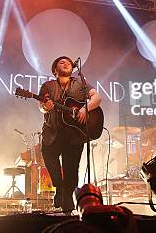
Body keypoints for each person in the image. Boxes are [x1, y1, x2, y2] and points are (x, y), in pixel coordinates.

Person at [38, 56, 102, 214]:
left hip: (75, 134)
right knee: (49, 157)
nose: (65, 63)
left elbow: (97, 98)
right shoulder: (48, 85)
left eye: (68, 62)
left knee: (72, 170)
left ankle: (69, 208)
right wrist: (46, 107)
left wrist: (83, 109)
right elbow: (42, 106)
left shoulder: (81, 83)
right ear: (55, 71)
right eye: (61, 62)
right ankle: (59, 186)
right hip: (52, 132)